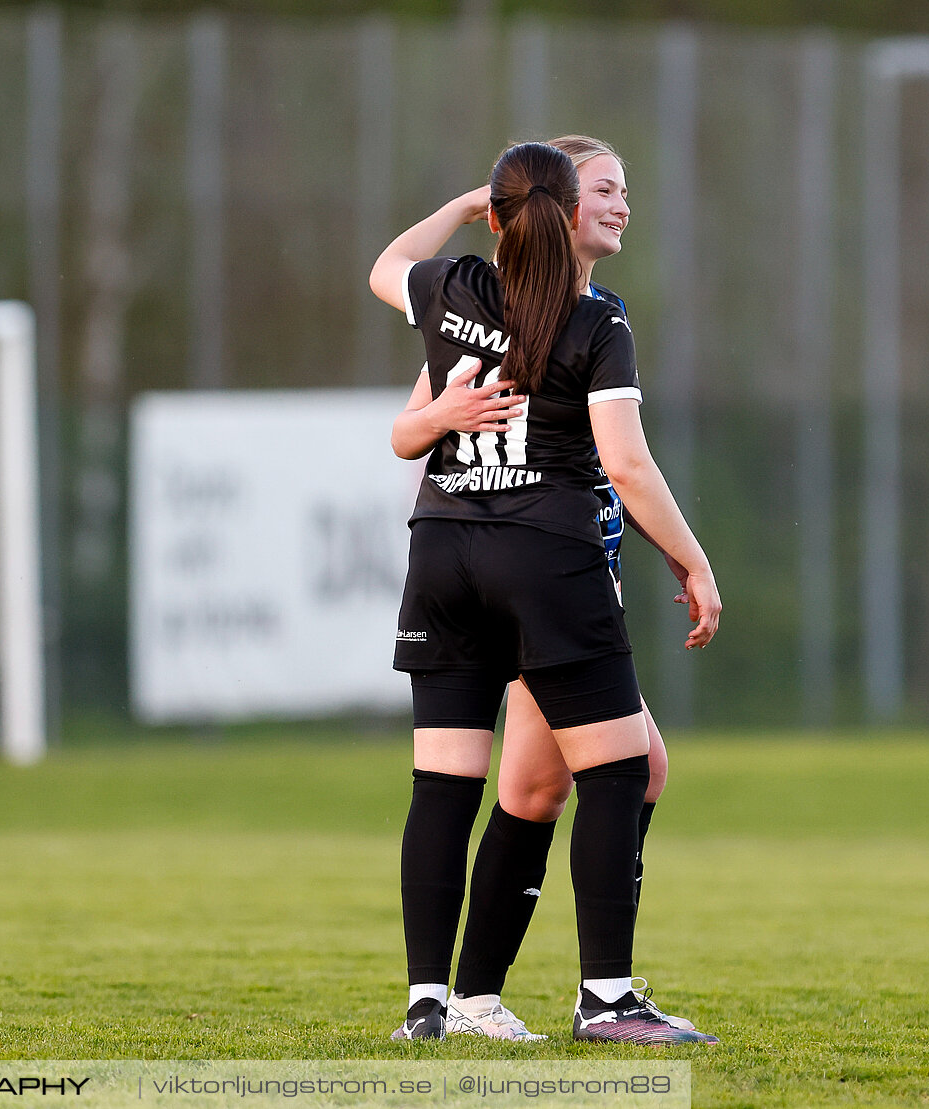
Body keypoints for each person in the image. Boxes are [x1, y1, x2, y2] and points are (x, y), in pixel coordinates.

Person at [370, 141, 720, 1044]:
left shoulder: (460, 297)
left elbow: (409, 409)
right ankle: (603, 996)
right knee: (618, 770)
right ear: (559, 210)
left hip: (451, 555)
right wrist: (692, 559)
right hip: (545, 573)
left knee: (510, 787)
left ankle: (451, 999)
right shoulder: (588, 320)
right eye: (606, 188)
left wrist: (437, 418)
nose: (623, 204)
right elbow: (624, 464)